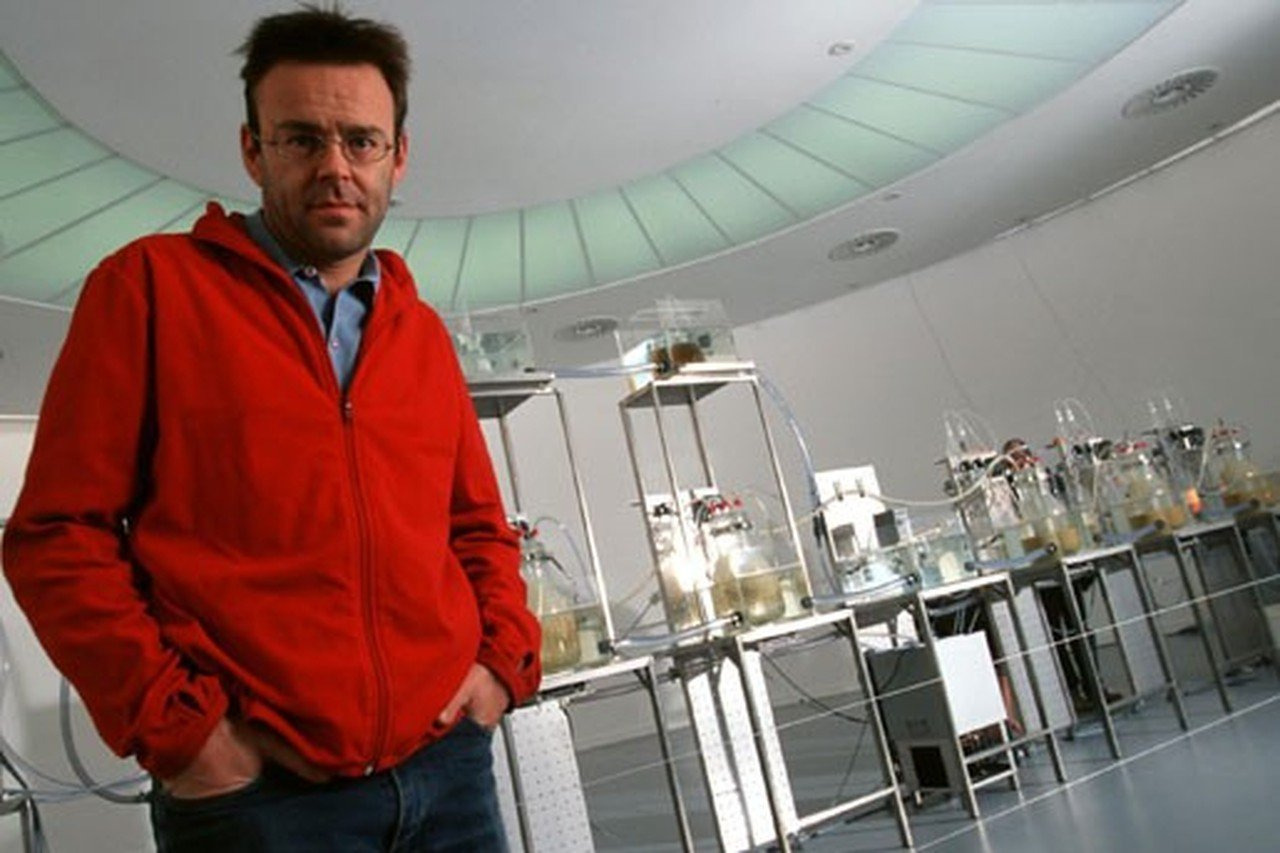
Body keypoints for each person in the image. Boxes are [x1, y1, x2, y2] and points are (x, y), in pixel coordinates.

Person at [2, 6, 540, 850]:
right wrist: (180, 729)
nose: (335, 167)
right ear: (254, 150)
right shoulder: (149, 291)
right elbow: (56, 535)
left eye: (361, 141)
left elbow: (475, 527)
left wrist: (501, 666)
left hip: (447, 776)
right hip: (259, 802)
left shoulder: (420, 331)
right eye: (302, 139)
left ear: (398, 156)